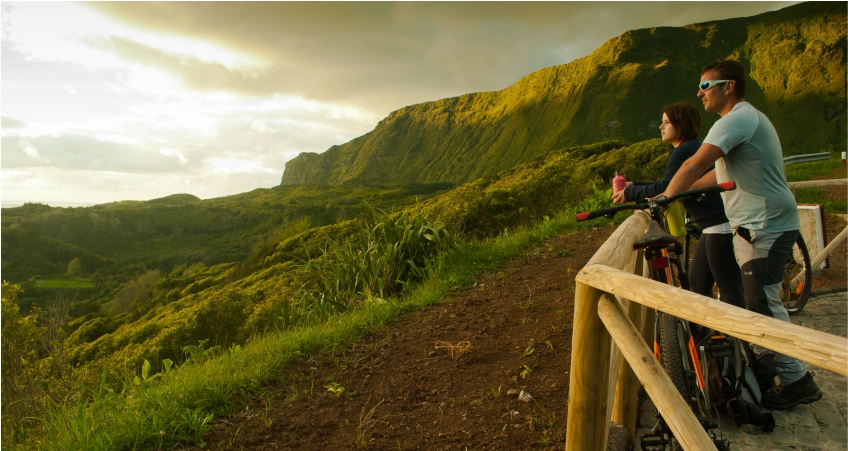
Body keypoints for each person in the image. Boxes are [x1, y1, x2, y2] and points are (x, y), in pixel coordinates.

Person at [662, 60, 821, 410]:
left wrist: (663, 200)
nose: (699, 93)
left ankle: (798, 381)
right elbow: (715, 177)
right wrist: (671, 194)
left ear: (728, 86)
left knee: (763, 302)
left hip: (764, 224)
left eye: (706, 86)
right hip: (760, 224)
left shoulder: (736, 120)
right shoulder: (743, 120)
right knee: (759, 300)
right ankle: (781, 369)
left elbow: (694, 164)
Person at [612, 101, 745, 310]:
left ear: (681, 124)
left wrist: (629, 193)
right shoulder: (691, 147)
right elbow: (672, 184)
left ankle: (739, 330)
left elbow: (666, 188)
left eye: (666, 122)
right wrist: (635, 185)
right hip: (714, 225)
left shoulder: (682, 151)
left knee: (727, 286)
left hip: (719, 226)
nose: (661, 126)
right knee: (699, 283)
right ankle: (705, 329)